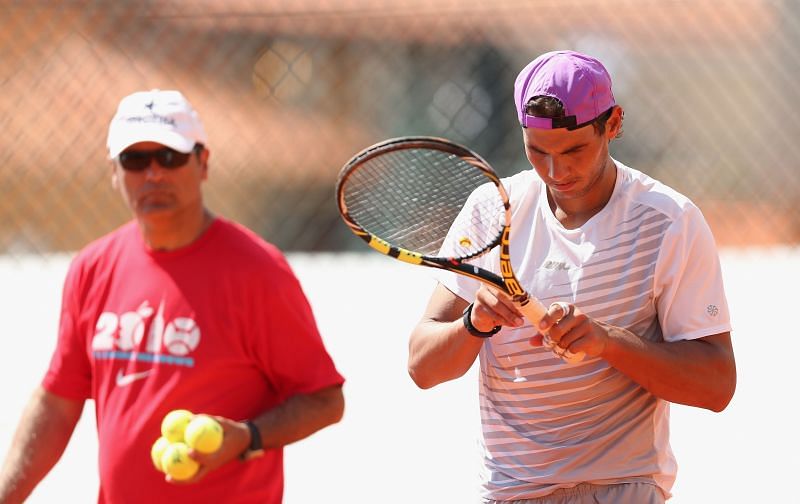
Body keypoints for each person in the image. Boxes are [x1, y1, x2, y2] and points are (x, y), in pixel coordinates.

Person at [408, 50, 736, 503]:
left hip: (623, 488)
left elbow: (717, 385)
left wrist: (609, 342)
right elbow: (422, 367)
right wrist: (474, 324)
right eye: (537, 151)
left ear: (614, 123)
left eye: (574, 150)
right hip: (510, 492)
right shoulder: (491, 210)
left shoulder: (670, 221)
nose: (556, 171)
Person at [0, 89, 345, 503]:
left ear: (203, 163)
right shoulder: (91, 268)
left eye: (170, 157)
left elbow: (325, 400)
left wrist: (248, 437)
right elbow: (58, 403)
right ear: (114, 171)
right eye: (135, 160)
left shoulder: (257, 271)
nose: (154, 174)